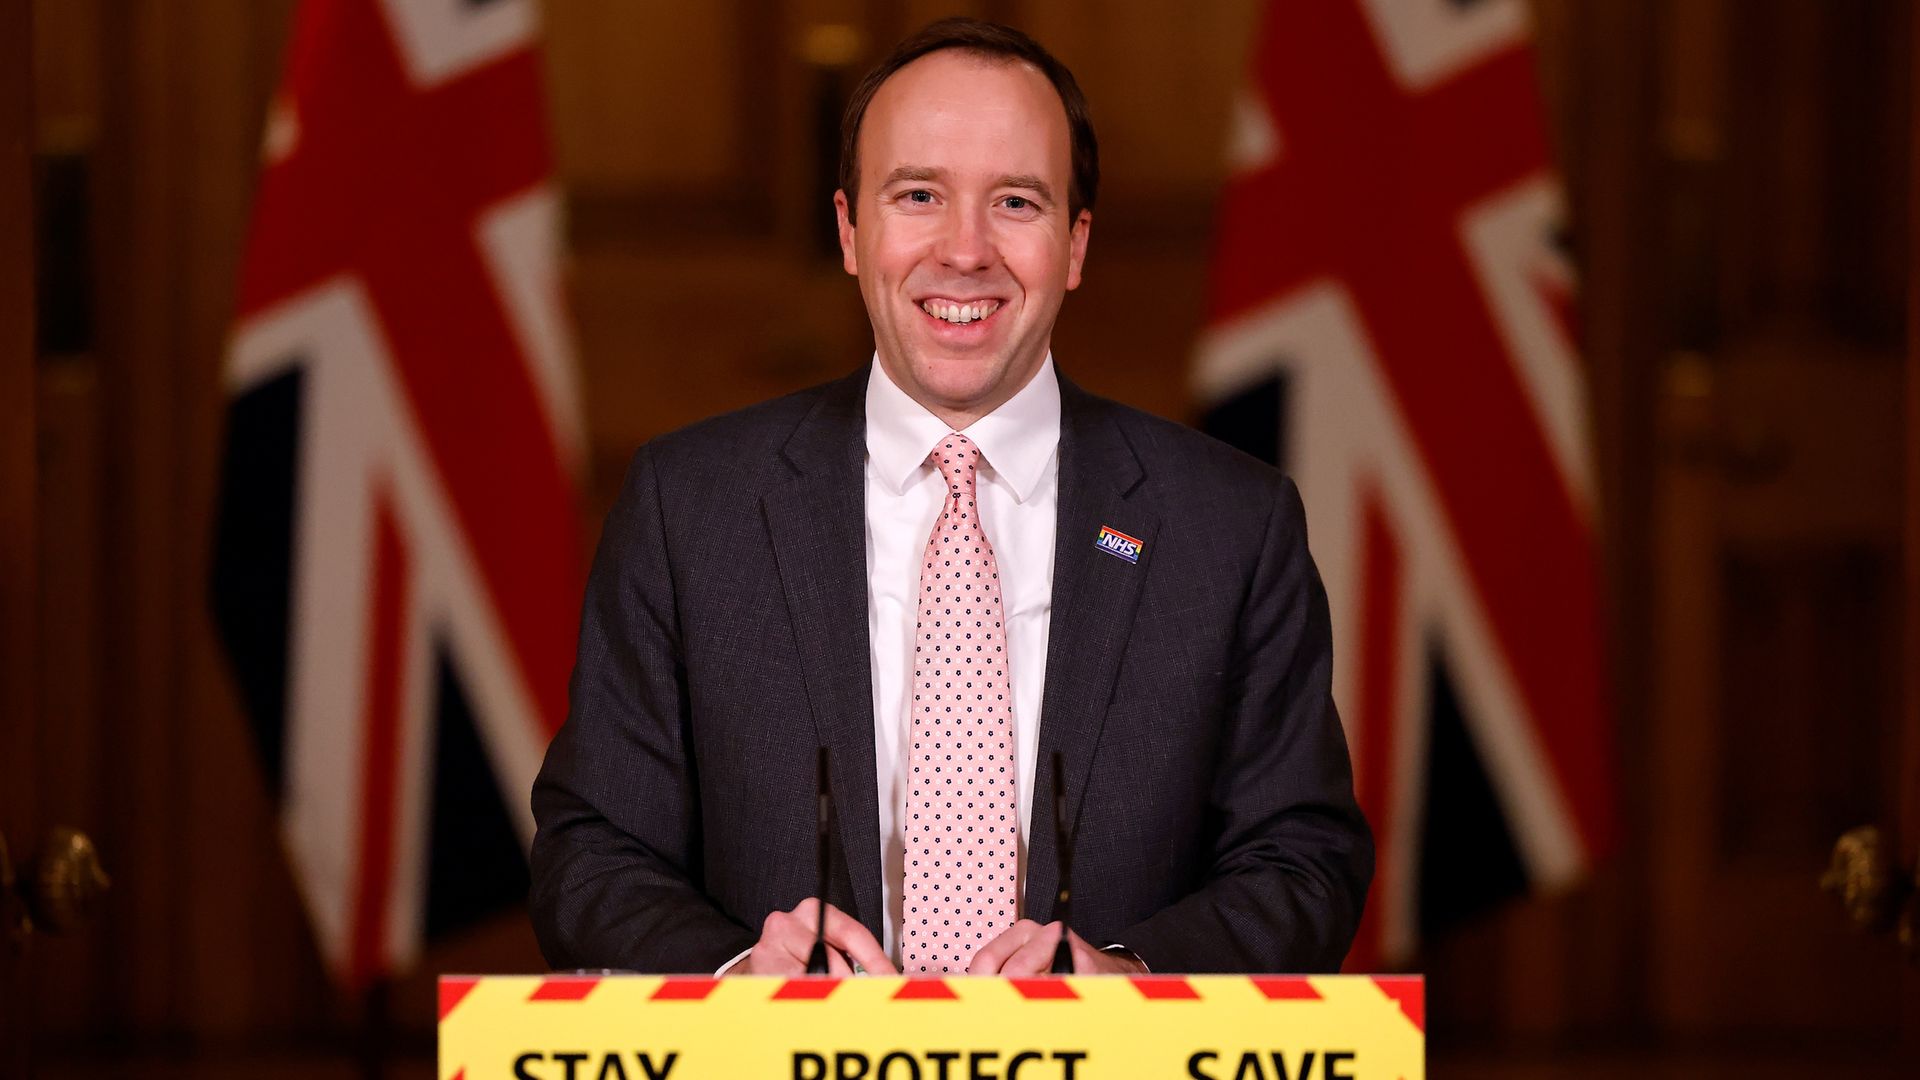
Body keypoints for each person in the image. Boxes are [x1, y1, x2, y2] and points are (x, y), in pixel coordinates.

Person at [529, 17, 1371, 977]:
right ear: (851, 230)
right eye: (919, 194)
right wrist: (735, 981)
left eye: (1016, 201)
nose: (965, 251)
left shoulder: (1231, 526)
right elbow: (589, 851)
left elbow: (1305, 859)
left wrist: (1132, 980)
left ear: (1075, 244)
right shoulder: (691, 509)